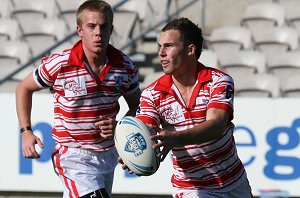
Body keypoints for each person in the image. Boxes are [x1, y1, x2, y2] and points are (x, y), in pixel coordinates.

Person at [15, 1, 141, 197]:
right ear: (80, 30)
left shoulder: (125, 67)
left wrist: (121, 125)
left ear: (111, 29)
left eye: (104, 26)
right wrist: (25, 132)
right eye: (91, 26)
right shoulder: (60, 64)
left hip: (108, 155)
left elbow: (137, 106)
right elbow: (24, 88)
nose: (98, 32)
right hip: (73, 155)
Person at [120, 17, 253, 197]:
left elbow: (216, 125)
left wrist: (175, 138)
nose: (161, 53)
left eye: (168, 46)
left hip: (234, 182)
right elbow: (146, 129)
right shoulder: (152, 94)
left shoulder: (219, 81)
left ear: (190, 50)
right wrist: (136, 152)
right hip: (192, 188)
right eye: (159, 46)